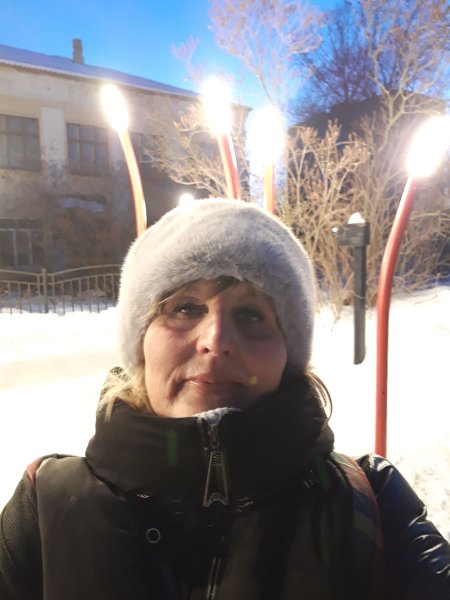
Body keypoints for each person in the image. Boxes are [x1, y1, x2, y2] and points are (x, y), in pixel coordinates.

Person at [0, 198, 449, 600]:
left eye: (251, 314)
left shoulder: (368, 503)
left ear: (289, 356)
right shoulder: (45, 507)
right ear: (139, 343)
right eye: (185, 308)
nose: (215, 340)